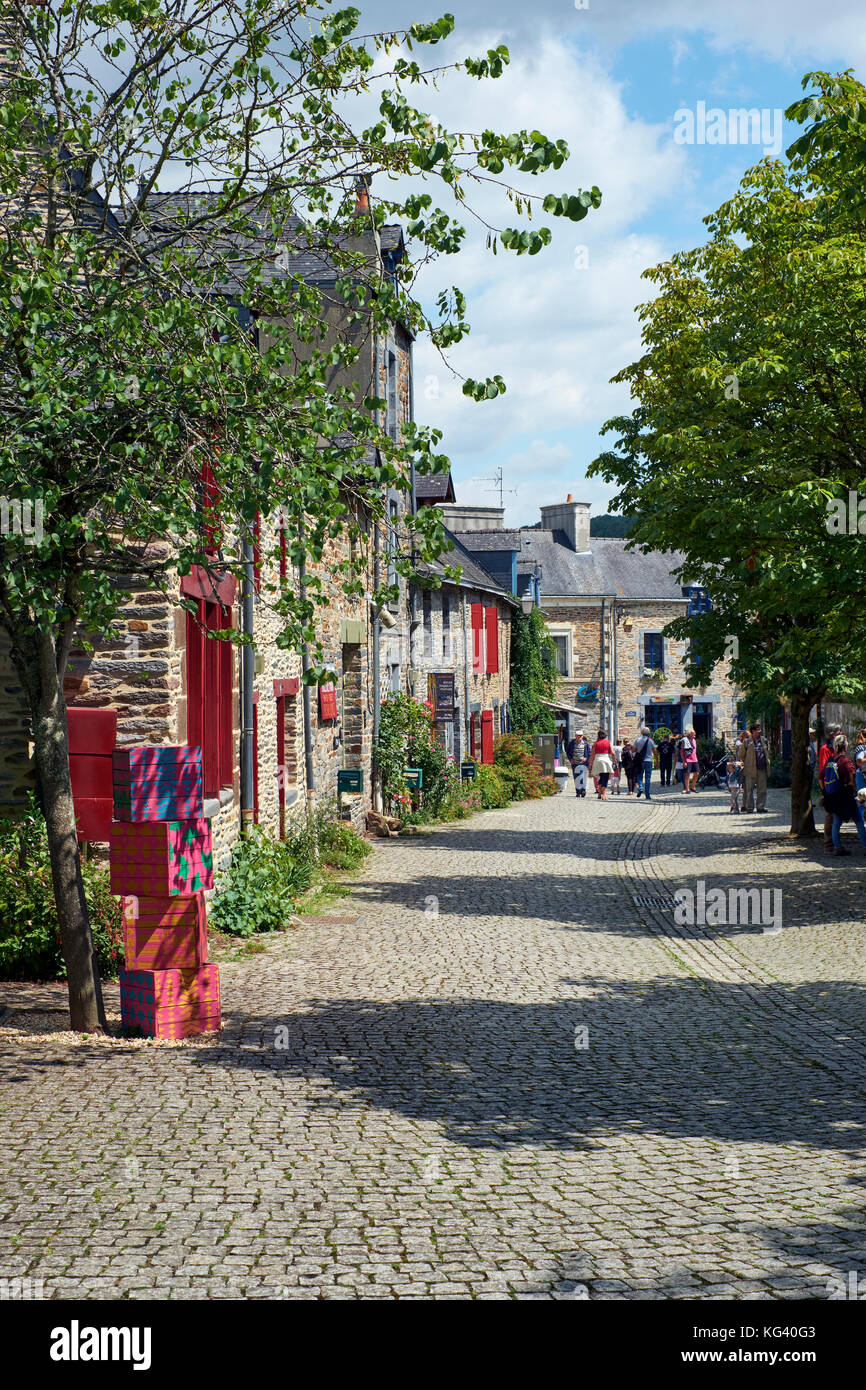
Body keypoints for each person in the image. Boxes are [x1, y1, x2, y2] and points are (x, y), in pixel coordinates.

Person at [823, 733, 866, 856]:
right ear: (845, 746)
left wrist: (825, 792)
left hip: (834, 796)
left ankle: (837, 847)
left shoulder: (832, 760)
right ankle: (865, 845)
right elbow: (852, 774)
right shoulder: (845, 760)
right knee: (858, 820)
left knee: (836, 822)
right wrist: (852, 787)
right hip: (846, 795)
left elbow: (821, 776)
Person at [818, 724, 843, 851]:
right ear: (834, 734)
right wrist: (825, 790)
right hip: (831, 786)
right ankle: (829, 842)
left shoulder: (839, 748)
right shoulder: (825, 749)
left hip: (840, 785)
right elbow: (823, 771)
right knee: (830, 815)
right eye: (840, 731)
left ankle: (836, 841)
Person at [741, 721, 769, 812]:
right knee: (749, 790)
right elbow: (741, 755)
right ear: (753, 731)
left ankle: (760, 807)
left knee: (762, 790)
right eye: (758, 730)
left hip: (762, 768)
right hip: (750, 769)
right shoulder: (747, 742)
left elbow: (768, 752)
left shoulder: (764, 741)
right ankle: (749, 808)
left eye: (760, 729)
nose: (760, 731)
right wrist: (748, 763)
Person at [589, 728, 616, 801]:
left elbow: (592, 754)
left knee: (599, 777)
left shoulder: (596, 743)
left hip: (597, 760)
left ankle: (599, 793)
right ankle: (603, 794)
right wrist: (615, 760)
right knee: (605, 778)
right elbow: (612, 753)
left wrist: (590, 763)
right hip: (605, 760)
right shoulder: (608, 742)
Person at [632, 725, 656, 800]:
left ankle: (640, 787)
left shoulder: (637, 740)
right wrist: (657, 760)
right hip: (649, 760)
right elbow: (655, 751)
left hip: (640, 761)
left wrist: (638, 750)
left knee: (639, 775)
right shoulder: (651, 740)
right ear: (648, 733)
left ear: (642, 732)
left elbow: (633, 750)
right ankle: (647, 795)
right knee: (648, 778)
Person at [567, 730, 590, 798]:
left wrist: (586, 758)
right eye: (578, 736)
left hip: (583, 763)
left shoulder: (585, 743)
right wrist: (570, 759)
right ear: (575, 736)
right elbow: (568, 751)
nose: (579, 737)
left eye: (580, 736)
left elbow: (589, 752)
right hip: (575, 763)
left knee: (582, 776)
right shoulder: (572, 743)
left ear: (582, 736)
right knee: (576, 777)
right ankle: (578, 791)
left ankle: (583, 790)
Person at [679, 726, 699, 793]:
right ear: (690, 734)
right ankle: (687, 788)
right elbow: (682, 752)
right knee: (687, 774)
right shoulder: (685, 741)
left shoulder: (694, 741)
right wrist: (684, 761)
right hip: (687, 760)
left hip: (694, 759)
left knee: (697, 773)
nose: (695, 735)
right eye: (694, 734)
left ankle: (693, 787)